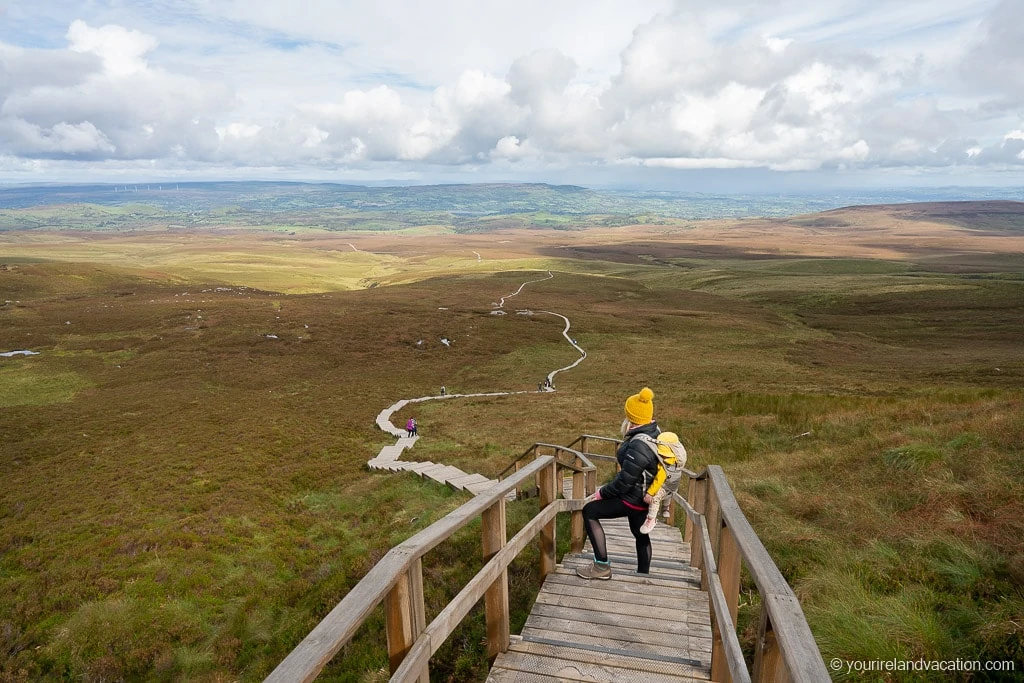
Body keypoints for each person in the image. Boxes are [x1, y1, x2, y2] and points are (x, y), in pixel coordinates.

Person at [576, 387, 660, 580]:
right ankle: (643, 575)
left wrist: (602, 493)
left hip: (632, 498)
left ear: (631, 416)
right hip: (645, 497)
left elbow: (624, 481)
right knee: (640, 532)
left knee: (590, 511)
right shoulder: (654, 432)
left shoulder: (638, 444)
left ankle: (601, 567)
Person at [639, 432, 687, 535]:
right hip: (673, 486)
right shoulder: (678, 459)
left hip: (665, 485)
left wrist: (650, 493)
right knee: (669, 494)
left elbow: (658, 480)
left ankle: (651, 519)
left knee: (656, 498)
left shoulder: (665, 464)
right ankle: (666, 509)